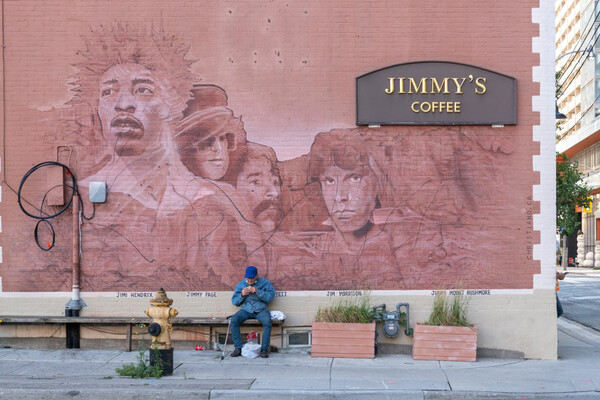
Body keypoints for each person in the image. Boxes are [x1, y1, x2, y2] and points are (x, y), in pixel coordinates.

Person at [230, 266, 275, 358]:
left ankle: (264, 349)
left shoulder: (265, 283)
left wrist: (258, 292)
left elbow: (270, 298)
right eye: (248, 277)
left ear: (256, 276)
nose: (250, 280)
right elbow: (235, 302)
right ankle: (238, 348)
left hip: (261, 310)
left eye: (252, 278)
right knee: (234, 320)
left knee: (267, 321)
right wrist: (241, 295)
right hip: (245, 310)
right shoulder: (241, 285)